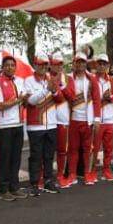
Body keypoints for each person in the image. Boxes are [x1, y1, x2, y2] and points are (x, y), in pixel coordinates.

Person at [0, 55, 29, 199]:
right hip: (4, 126)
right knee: (4, 158)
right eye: (7, 65)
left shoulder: (20, 81)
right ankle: (3, 189)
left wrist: (25, 100)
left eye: (12, 65)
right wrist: (18, 100)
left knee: (16, 157)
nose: (10, 67)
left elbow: (24, 102)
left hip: (18, 124)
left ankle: (14, 187)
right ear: (2, 67)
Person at [61, 52, 101, 188]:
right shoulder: (68, 78)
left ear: (86, 63)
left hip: (87, 120)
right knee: (73, 149)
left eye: (82, 62)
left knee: (87, 149)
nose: (80, 65)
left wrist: (97, 118)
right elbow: (66, 96)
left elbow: (96, 99)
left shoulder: (92, 79)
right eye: (78, 62)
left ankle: (87, 174)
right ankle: (72, 174)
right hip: (73, 119)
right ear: (74, 64)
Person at [25, 55, 62, 194]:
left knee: (49, 155)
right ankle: (34, 183)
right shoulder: (28, 80)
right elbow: (31, 101)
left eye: (45, 64)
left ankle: (48, 181)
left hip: (51, 124)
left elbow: (59, 99)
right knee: (36, 156)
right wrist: (47, 89)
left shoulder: (51, 79)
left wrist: (55, 90)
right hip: (35, 125)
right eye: (40, 64)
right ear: (35, 65)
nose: (43, 67)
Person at [90, 54, 113, 183]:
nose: (101, 66)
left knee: (109, 147)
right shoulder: (91, 79)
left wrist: (109, 97)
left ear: (108, 65)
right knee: (95, 147)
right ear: (96, 65)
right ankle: (92, 171)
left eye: (104, 64)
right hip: (96, 119)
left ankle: (107, 170)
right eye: (99, 63)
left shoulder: (112, 80)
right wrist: (102, 98)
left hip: (109, 118)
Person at [49, 53, 72, 186]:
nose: (58, 66)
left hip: (63, 120)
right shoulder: (46, 77)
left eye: (60, 64)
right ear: (50, 65)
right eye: (55, 64)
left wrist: (62, 85)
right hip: (48, 121)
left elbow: (72, 97)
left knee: (62, 150)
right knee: (47, 151)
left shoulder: (68, 78)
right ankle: (45, 178)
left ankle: (60, 175)